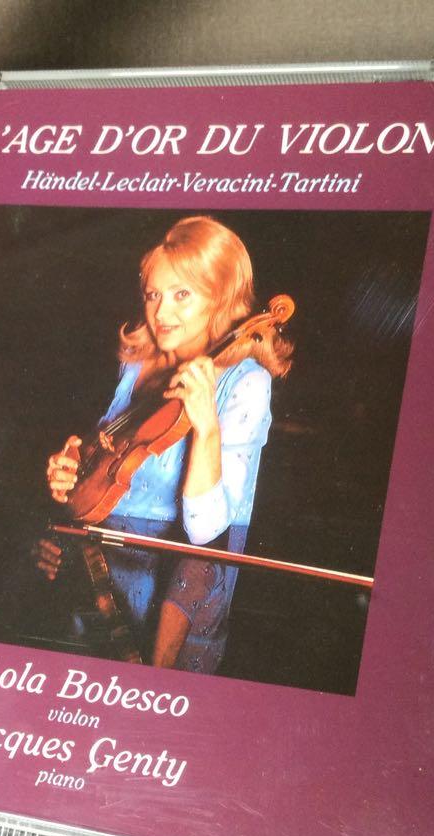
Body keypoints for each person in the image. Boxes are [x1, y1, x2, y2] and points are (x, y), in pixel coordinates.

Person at [43, 216, 292, 673]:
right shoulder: (137, 366)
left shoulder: (246, 382)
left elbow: (205, 533)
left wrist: (206, 426)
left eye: (182, 295)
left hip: (174, 599)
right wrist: (70, 473)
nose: (161, 313)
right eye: (153, 294)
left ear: (220, 297)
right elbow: (108, 466)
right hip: (97, 580)